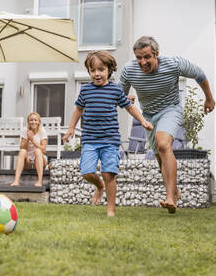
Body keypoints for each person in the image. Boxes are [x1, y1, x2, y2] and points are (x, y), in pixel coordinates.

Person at [119, 36, 215, 214]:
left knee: (163, 144)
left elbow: (200, 74)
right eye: (139, 57)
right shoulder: (129, 70)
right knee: (160, 157)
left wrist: (209, 98)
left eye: (147, 57)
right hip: (148, 116)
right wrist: (126, 99)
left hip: (170, 109)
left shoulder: (174, 64)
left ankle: (170, 197)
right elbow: (121, 95)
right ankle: (175, 192)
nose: (143, 62)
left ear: (156, 54)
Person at [63, 50, 153, 217]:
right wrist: (71, 128)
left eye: (101, 69)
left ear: (109, 70)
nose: (97, 74)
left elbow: (130, 107)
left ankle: (110, 209)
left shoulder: (115, 90)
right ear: (89, 72)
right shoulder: (85, 90)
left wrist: (143, 121)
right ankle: (99, 186)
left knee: (108, 173)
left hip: (110, 139)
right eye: (93, 70)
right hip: (90, 139)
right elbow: (78, 109)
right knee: (87, 172)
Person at [10, 112, 48, 187]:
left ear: (39, 122)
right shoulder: (25, 130)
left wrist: (33, 140)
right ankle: (16, 181)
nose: (33, 122)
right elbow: (21, 147)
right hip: (29, 161)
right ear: (28, 122)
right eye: (31, 120)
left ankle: (40, 181)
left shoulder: (42, 131)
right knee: (22, 151)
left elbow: (43, 150)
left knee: (37, 150)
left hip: (40, 158)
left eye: (35, 120)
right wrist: (27, 139)